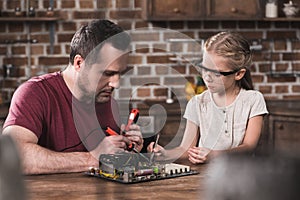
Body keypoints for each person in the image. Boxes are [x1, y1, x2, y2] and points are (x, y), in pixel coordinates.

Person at [2, 19, 143, 174]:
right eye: (107, 73)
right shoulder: (35, 94)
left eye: (119, 73)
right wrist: (91, 159)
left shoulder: (109, 103)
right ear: (79, 63)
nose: (116, 84)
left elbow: (109, 163)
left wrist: (130, 151)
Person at [148, 31, 268, 164]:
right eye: (204, 69)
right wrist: (165, 154)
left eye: (216, 73)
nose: (207, 78)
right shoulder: (197, 103)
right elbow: (186, 148)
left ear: (239, 74)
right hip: (206, 177)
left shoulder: (253, 100)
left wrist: (214, 155)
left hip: (241, 176)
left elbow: (248, 147)